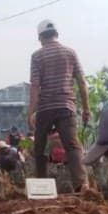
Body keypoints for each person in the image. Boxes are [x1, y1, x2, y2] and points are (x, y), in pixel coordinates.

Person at [28, 19, 90, 192]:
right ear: (57, 34)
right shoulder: (70, 53)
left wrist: (31, 112)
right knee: (72, 146)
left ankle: (40, 187)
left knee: (40, 147)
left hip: (46, 107)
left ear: (40, 37)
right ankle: (82, 185)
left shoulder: (37, 56)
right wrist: (86, 109)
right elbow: (82, 83)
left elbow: (35, 85)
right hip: (66, 106)